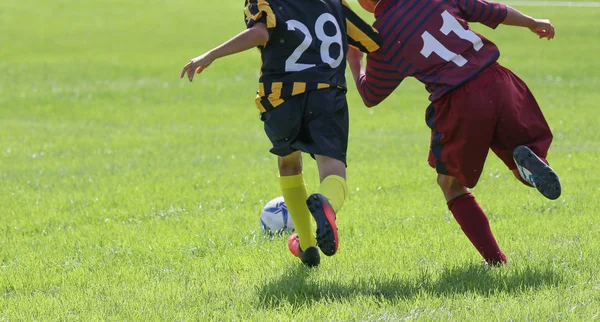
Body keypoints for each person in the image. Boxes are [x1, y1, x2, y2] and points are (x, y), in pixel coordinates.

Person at [347, 0, 561, 265]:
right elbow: (493, 10)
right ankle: (535, 164)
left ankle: (496, 261)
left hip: (458, 101)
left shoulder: (383, 37)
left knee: (450, 184)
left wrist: (355, 61)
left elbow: (371, 94)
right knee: (520, 167)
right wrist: (532, 22)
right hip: (499, 80)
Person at [180, 0, 380, 267]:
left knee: (288, 164)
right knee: (332, 171)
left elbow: (261, 32)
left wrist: (212, 54)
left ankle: (307, 246)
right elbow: (370, 41)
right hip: (326, 94)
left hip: (280, 97)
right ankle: (326, 203)